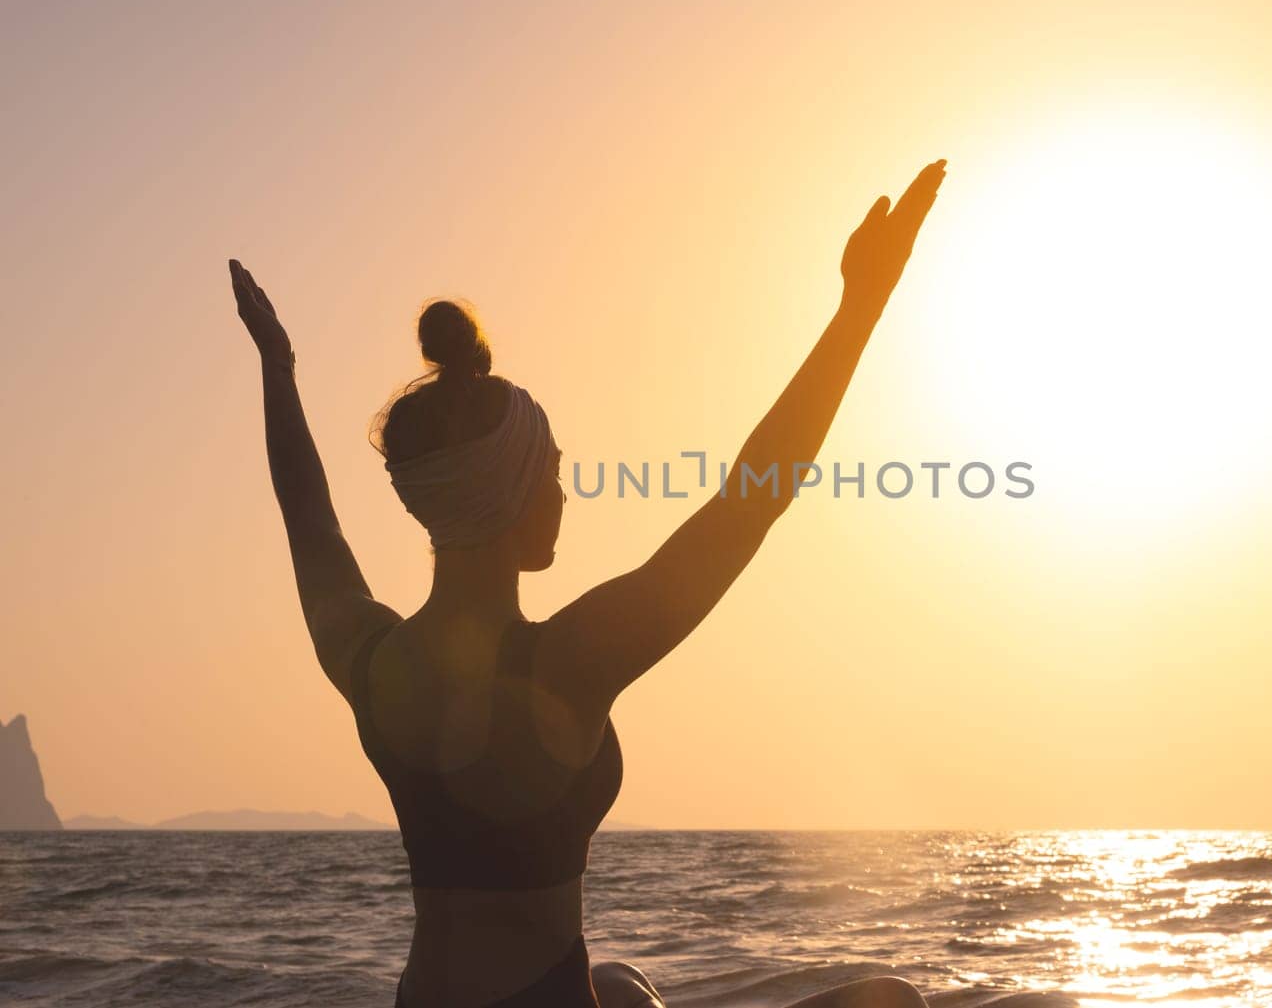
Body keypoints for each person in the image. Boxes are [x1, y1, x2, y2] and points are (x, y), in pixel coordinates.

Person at [229, 159, 946, 1008]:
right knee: (891, 998)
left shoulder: (372, 659)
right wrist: (860, 306)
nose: (565, 494)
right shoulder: (564, 664)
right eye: (553, 473)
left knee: (628, 982)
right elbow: (752, 500)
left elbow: (308, 518)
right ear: (508, 497)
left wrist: (278, 369)